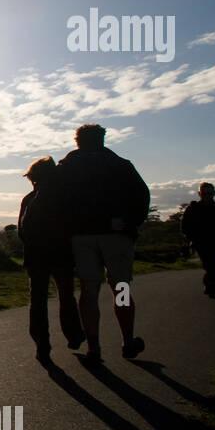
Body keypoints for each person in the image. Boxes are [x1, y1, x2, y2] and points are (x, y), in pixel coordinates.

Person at [57, 123, 150, 362]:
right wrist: (129, 223)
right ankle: (127, 340)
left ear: (77, 141)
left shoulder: (66, 167)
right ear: (103, 139)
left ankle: (94, 347)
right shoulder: (120, 165)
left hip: (81, 237)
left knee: (89, 291)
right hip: (116, 235)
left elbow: (56, 203)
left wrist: (67, 230)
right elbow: (142, 195)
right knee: (121, 288)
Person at [18, 157, 84, 362]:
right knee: (66, 295)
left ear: (33, 178)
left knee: (38, 300)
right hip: (62, 254)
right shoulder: (66, 196)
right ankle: (74, 335)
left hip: (36, 257)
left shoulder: (29, 199)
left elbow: (22, 231)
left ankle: (42, 346)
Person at [181, 182, 215, 301]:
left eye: (209, 193)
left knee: (214, 266)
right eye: (204, 193)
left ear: (214, 193)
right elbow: (185, 225)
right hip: (200, 242)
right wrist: (189, 237)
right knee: (209, 265)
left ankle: (209, 284)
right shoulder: (193, 208)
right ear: (199, 194)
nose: (207, 196)